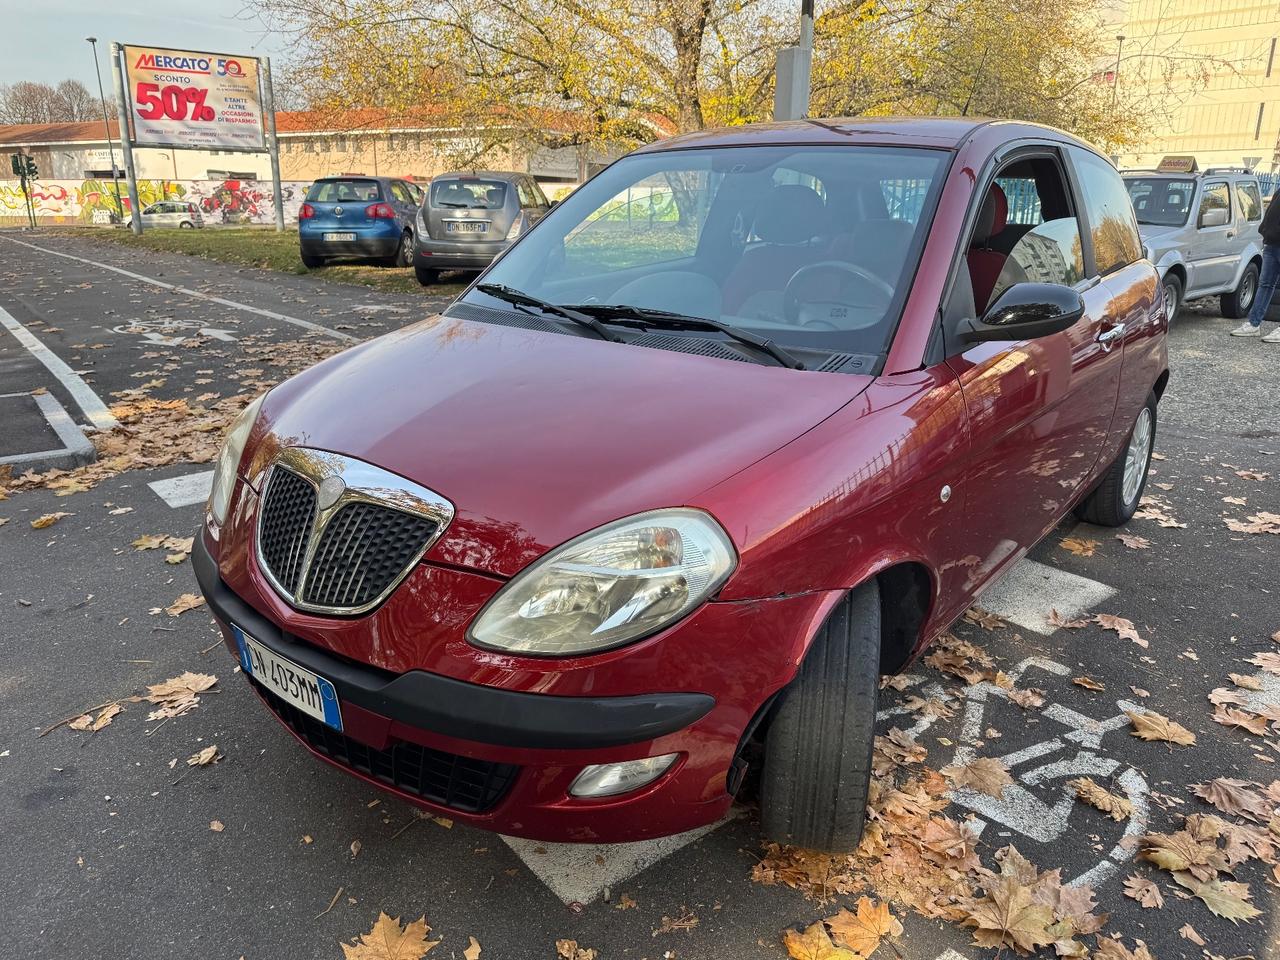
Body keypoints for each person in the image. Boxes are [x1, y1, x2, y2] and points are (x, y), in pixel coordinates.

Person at [1232, 185, 1280, 341]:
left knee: (1267, 285)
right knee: (1265, 284)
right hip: (1271, 245)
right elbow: (1270, 215)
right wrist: (1264, 230)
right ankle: (1253, 324)